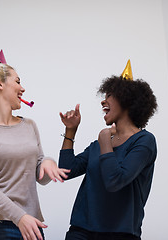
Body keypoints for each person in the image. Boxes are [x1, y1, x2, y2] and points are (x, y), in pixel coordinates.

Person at [0, 50, 69, 240]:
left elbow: (40, 176)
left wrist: (48, 162)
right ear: (0, 84)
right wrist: (20, 217)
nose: (23, 89)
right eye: (18, 81)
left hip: (32, 224)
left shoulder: (29, 125)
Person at [58, 60, 158, 240]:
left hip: (120, 233)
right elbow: (65, 171)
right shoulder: (98, 145)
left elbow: (115, 180)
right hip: (80, 232)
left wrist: (105, 141)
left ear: (128, 100)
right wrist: (70, 131)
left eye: (110, 95)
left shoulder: (144, 141)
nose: (103, 100)